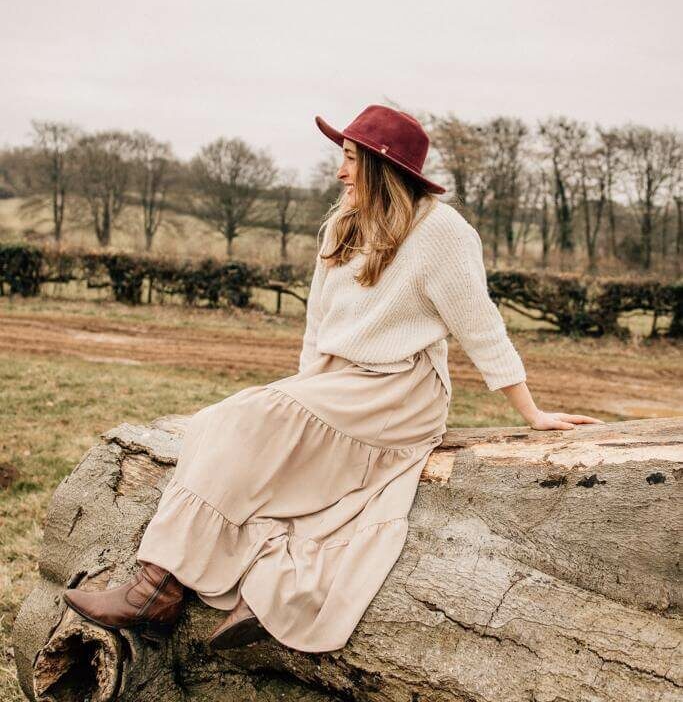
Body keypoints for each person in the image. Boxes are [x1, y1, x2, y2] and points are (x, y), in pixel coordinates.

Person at [62, 104, 602, 653]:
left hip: (399, 391)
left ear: (379, 164)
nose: (340, 171)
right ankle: (164, 587)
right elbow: (316, 325)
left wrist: (531, 412)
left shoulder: (442, 231)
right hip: (336, 382)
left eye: (349, 159)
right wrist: (299, 395)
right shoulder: (343, 222)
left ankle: (153, 589)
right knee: (217, 425)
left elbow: (480, 326)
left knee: (238, 421)